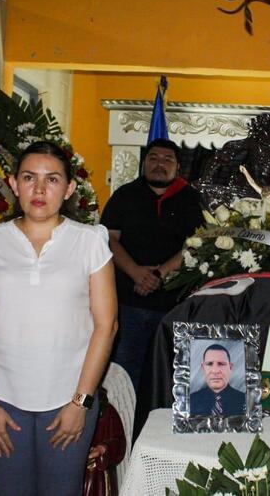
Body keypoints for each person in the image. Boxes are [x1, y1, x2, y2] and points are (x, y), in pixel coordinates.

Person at [0, 141, 117, 496]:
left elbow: (107, 326)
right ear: (14, 184)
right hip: (2, 400)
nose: (40, 189)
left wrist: (80, 403)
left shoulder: (90, 242)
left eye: (53, 179)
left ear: (69, 188)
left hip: (69, 400)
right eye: (29, 178)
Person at [100, 138, 204, 391]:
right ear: (144, 162)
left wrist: (159, 273)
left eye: (167, 160)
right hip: (127, 302)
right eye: (153, 158)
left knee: (168, 372)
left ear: (178, 167)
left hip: (173, 304)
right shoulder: (124, 195)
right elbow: (108, 239)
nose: (160, 164)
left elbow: (197, 244)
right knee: (123, 372)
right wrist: (135, 272)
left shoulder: (191, 199)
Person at [190, 344, 246, 416]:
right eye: (209, 364)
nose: (215, 371)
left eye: (221, 364)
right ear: (203, 368)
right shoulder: (191, 401)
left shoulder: (245, 401)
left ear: (230, 367)